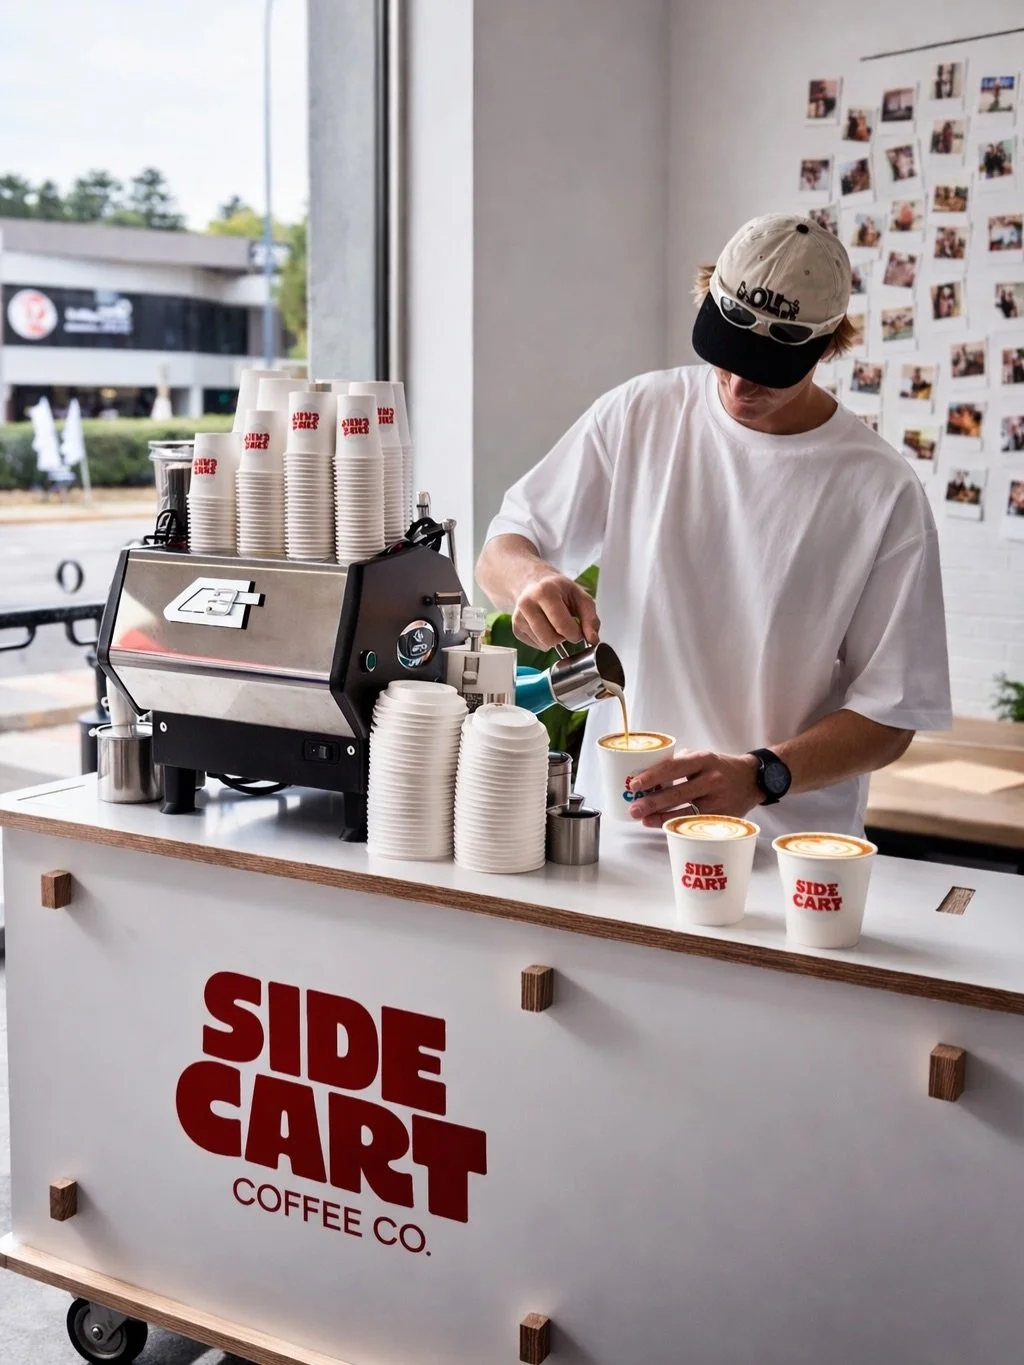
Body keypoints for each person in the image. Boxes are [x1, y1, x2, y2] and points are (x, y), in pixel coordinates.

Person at [477, 215, 951, 839]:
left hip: (785, 853)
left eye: (769, 365)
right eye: (727, 353)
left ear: (828, 343)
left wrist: (761, 775)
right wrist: (531, 579)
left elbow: (892, 717)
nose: (738, 380)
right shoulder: (641, 413)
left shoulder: (881, 490)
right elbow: (503, 548)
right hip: (613, 832)